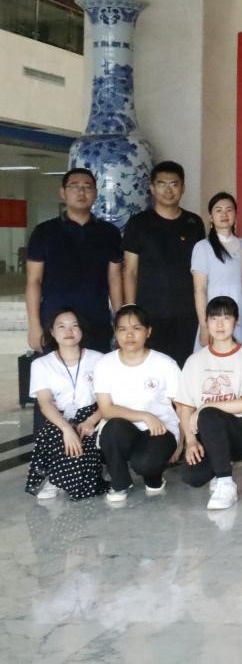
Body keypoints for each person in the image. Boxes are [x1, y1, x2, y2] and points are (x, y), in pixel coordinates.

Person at [176, 296, 242, 510]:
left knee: (209, 414)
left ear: (236, 321)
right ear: (206, 322)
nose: (220, 324)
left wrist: (206, 407)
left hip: (240, 433)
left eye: (226, 318)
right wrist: (190, 441)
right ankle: (219, 467)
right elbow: (185, 406)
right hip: (205, 433)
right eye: (214, 318)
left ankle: (225, 482)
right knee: (192, 476)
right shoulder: (195, 361)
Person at [25, 168, 122, 353]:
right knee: (55, 370)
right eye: (74, 186)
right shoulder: (44, 232)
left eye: (87, 187)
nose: (81, 192)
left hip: (96, 321)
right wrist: (34, 325)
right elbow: (34, 281)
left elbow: (115, 279)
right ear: (63, 193)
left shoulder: (109, 233)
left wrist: (120, 321)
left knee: (96, 369)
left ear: (96, 193)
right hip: (55, 322)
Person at [93, 304, 182, 503]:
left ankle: (154, 477)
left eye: (136, 328)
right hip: (124, 429)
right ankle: (120, 483)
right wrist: (144, 416)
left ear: (148, 331)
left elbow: (183, 407)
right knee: (112, 428)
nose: (129, 335)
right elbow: (106, 409)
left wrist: (181, 443)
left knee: (145, 464)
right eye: (122, 329)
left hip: (160, 429)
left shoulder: (165, 363)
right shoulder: (105, 364)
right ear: (115, 332)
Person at [121, 161, 205, 365]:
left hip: (187, 313)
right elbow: (130, 271)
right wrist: (131, 310)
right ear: (152, 188)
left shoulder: (194, 223)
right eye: (162, 184)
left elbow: (202, 270)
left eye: (174, 184)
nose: (168, 190)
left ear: (183, 188)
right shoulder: (138, 223)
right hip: (150, 313)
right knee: (151, 368)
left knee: (185, 367)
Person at [23, 308, 107, 501]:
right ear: (52, 332)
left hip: (94, 415)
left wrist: (91, 421)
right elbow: (45, 403)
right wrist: (66, 429)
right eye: (61, 326)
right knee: (57, 433)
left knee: (85, 442)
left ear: (81, 330)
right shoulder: (41, 364)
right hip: (59, 417)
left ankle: (82, 472)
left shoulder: (99, 359)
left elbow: (108, 400)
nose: (69, 331)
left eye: (74, 326)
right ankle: (56, 479)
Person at [191, 192, 242, 351]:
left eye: (229, 210)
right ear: (210, 217)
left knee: (238, 356)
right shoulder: (203, 247)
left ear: (236, 214)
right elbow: (200, 289)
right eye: (218, 210)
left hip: (240, 310)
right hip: (214, 313)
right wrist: (204, 325)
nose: (224, 214)